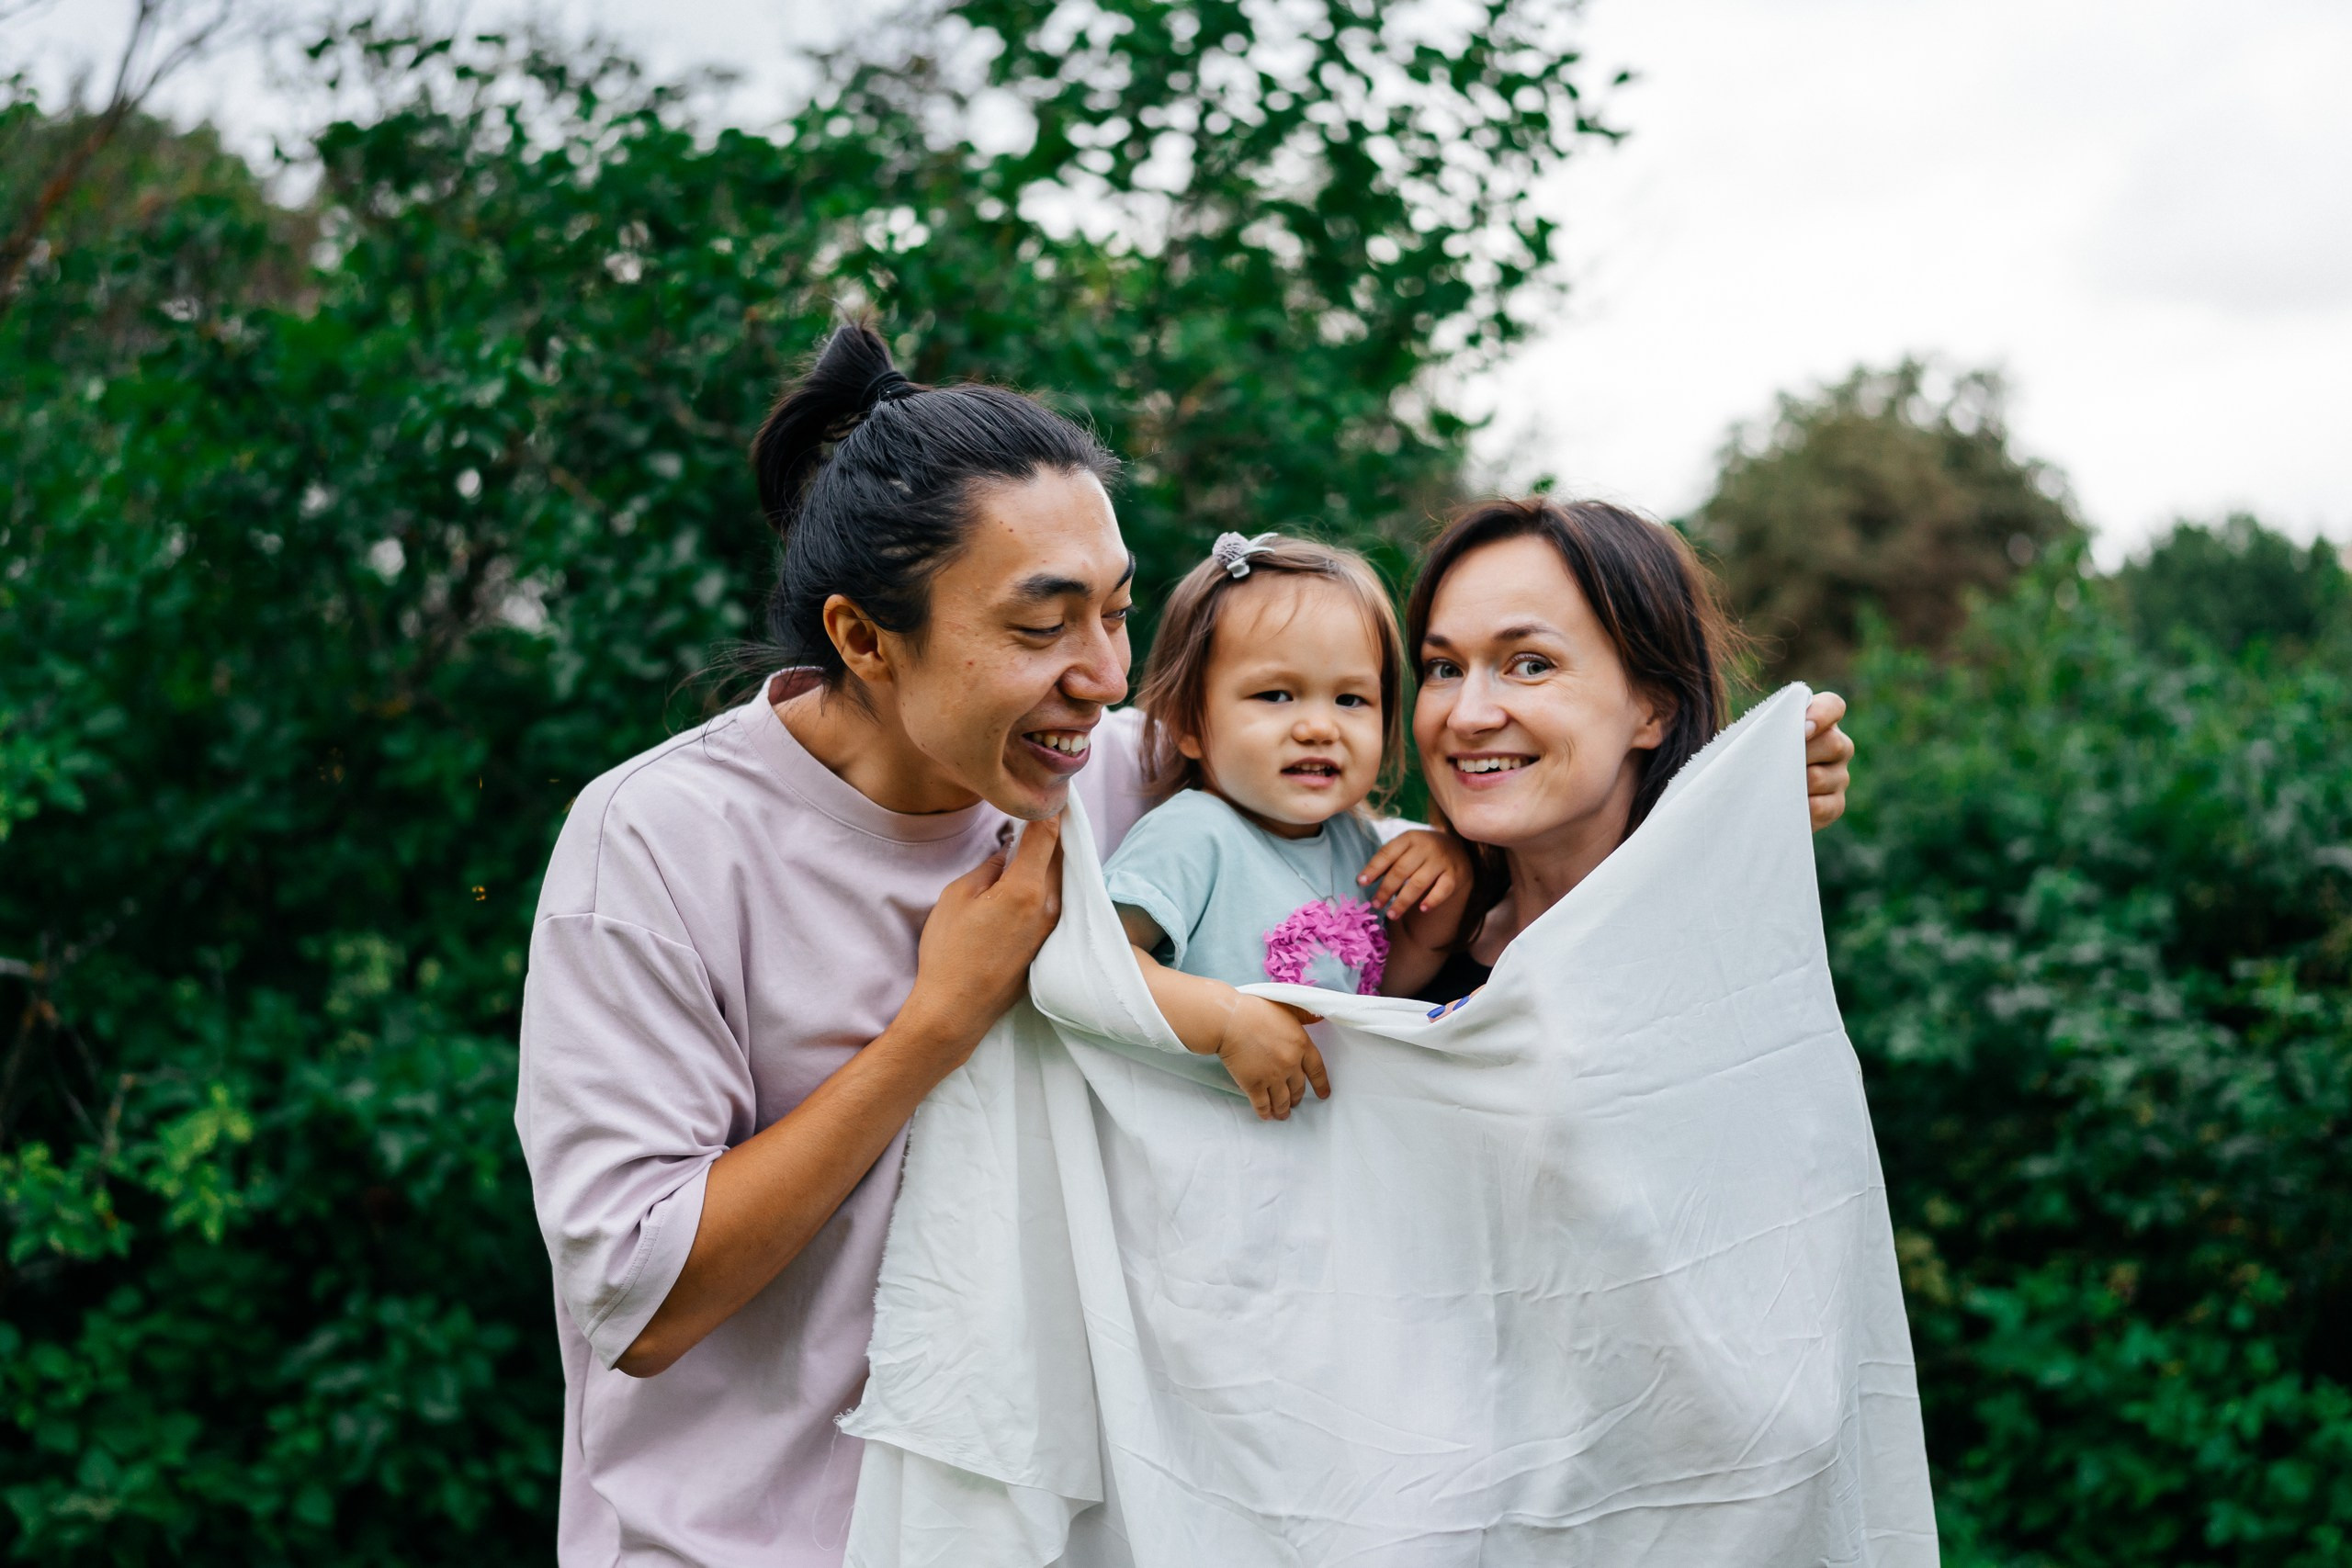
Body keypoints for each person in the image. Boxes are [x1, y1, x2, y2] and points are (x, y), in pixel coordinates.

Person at [514, 320, 1858, 1567]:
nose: (1105, 676)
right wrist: (938, 1021)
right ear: (865, 638)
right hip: (749, 1541)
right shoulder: (657, 843)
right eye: (1042, 626)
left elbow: (1427, 862)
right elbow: (642, 1299)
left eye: (1117, 609)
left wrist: (1712, 807)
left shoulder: (1110, 773)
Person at [1403, 495, 1852, 1007]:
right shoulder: (1391, 947)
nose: (1466, 714)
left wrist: (1756, 794)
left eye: (1530, 665)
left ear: (1653, 709)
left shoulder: (1726, 969)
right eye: (1444, 668)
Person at [1102, 532, 1472, 1121]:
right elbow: (1096, 965)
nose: (1319, 727)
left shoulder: (1354, 841)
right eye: (1277, 695)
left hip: (1314, 1155)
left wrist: (1446, 890)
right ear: (1188, 725)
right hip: (1198, 1139)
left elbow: (1381, 989)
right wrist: (1224, 1021)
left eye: (1351, 700)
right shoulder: (1197, 835)